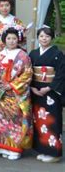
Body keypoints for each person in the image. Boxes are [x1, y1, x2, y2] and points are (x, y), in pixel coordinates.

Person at [0, 27, 32, 160]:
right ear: (4, 40)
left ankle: (15, 148)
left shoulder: (23, 55)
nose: (11, 41)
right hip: (0, 91)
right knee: (0, 119)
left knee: (15, 120)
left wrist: (12, 85)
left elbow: (27, 74)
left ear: (18, 39)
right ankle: (2, 145)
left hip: (15, 93)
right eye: (9, 38)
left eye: (14, 38)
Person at [29, 26, 64, 163]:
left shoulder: (58, 54)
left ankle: (54, 152)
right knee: (38, 120)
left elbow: (61, 74)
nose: (44, 39)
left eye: (47, 36)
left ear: (52, 38)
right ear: (38, 38)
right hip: (36, 91)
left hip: (51, 93)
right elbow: (28, 72)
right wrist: (32, 87)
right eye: (41, 36)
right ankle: (43, 149)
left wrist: (50, 87)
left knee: (52, 121)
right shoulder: (33, 54)